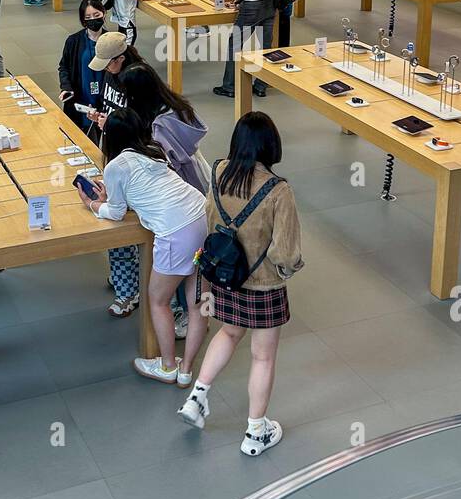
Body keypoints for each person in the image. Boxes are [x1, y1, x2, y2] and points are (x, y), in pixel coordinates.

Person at [177, 112, 302, 457]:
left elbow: (209, 216)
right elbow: (286, 253)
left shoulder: (218, 171)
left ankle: (197, 397)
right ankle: (256, 432)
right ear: (270, 144)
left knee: (228, 333)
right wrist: (285, 273)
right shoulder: (279, 190)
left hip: (225, 276)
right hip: (263, 286)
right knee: (262, 358)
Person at [81, 108, 209, 387]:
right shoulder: (154, 151)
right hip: (200, 215)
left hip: (175, 233)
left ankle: (166, 366)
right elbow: (146, 190)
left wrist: (92, 203)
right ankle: (186, 369)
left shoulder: (115, 166)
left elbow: (115, 212)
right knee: (197, 302)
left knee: (158, 299)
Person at [117, 62, 212, 339]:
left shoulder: (158, 127)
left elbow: (159, 161)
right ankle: (196, 317)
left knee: (177, 272)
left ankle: (181, 318)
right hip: (196, 187)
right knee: (196, 268)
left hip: (177, 196)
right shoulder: (177, 108)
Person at [83, 32, 147, 316]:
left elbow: (137, 127)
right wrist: (101, 119)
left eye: (108, 64)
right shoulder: (113, 74)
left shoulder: (135, 82)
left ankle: (127, 292)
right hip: (113, 152)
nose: (106, 70)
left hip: (128, 162)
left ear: (121, 59)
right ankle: (125, 279)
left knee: (119, 225)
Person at [57, 0, 108, 112]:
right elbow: (64, 67)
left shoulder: (111, 41)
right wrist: (66, 87)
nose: (93, 19)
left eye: (96, 15)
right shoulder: (73, 41)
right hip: (81, 98)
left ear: (104, 14)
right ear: (83, 20)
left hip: (104, 98)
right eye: (88, 17)